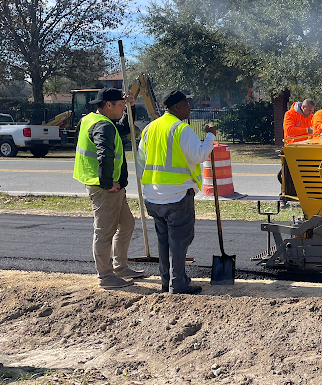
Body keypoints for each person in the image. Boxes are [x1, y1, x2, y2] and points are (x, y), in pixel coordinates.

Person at [137, 90, 216, 295]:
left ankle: (167, 281)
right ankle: (178, 284)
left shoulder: (149, 129)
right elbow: (199, 155)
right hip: (178, 195)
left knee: (164, 242)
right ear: (176, 107)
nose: (190, 107)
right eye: (187, 104)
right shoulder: (181, 129)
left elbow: (140, 164)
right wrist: (210, 136)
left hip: (154, 197)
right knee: (179, 242)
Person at [73, 88, 144, 290]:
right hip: (105, 188)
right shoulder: (102, 126)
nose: (123, 108)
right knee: (104, 231)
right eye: (120, 105)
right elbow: (105, 155)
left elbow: (125, 128)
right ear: (108, 105)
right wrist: (106, 182)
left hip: (112, 186)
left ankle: (120, 268)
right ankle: (106, 276)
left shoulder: (94, 120)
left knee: (127, 223)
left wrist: (131, 107)